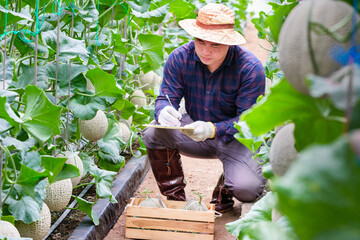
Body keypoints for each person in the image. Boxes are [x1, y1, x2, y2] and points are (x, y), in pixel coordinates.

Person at [142, 3, 266, 213]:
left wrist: (213, 129)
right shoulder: (180, 58)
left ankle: (225, 187)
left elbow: (247, 122)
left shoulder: (250, 68)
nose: (206, 51)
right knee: (153, 132)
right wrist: (163, 110)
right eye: (200, 41)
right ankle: (176, 199)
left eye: (215, 45)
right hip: (194, 131)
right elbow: (166, 96)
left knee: (248, 188)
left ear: (228, 43)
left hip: (237, 140)